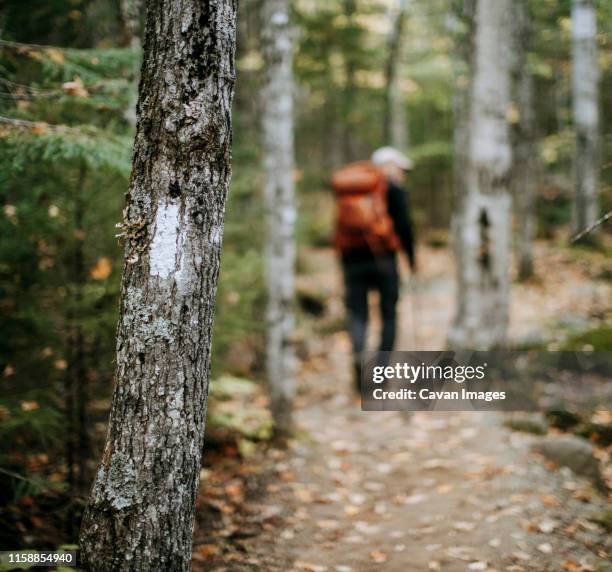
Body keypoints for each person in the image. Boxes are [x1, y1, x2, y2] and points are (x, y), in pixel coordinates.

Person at [331, 147, 417, 391]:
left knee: (358, 313)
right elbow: (405, 228)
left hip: (351, 260)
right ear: (389, 165)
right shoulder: (392, 190)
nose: (402, 173)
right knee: (389, 314)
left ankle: (360, 356)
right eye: (400, 168)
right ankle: (380, 374)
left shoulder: (352, 189)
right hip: (383, 260)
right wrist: (411, 260)